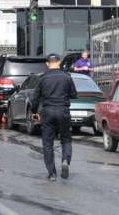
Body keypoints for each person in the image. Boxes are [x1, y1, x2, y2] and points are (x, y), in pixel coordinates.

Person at [31, 53, 77, 181]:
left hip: (48, 112)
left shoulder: (42, 78)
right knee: (66, 139)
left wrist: (34, 111)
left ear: (47, 64)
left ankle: (52, 173)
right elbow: (74, 94)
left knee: (47, 143)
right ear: (59, 62)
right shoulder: (67, 77)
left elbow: (35, 98)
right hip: (63, 111)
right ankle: (65, 161)